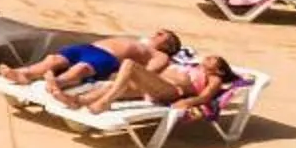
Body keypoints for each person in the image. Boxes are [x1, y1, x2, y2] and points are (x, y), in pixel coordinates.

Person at [69, 49, 239, 116]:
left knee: (129, 64)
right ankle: (77, 101)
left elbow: (205, 97)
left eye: (213, 59)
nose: (208, 57)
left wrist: (187, 102)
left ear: (219, 70)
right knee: (116, 85)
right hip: (155, 87)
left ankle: (105, 102)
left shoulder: (215, 78)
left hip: (171, 91)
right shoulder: (194, 66)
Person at [0, 30, 181, 90]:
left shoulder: (161, 55)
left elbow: (147, 73)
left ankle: (57, 82)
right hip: (89, 48)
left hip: (108, 58)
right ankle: (24, 74)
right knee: (53, 59)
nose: (158, 33)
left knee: (82, 68)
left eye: (163, 34)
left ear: (168, 45)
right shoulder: (141, 41)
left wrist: (118, 78)